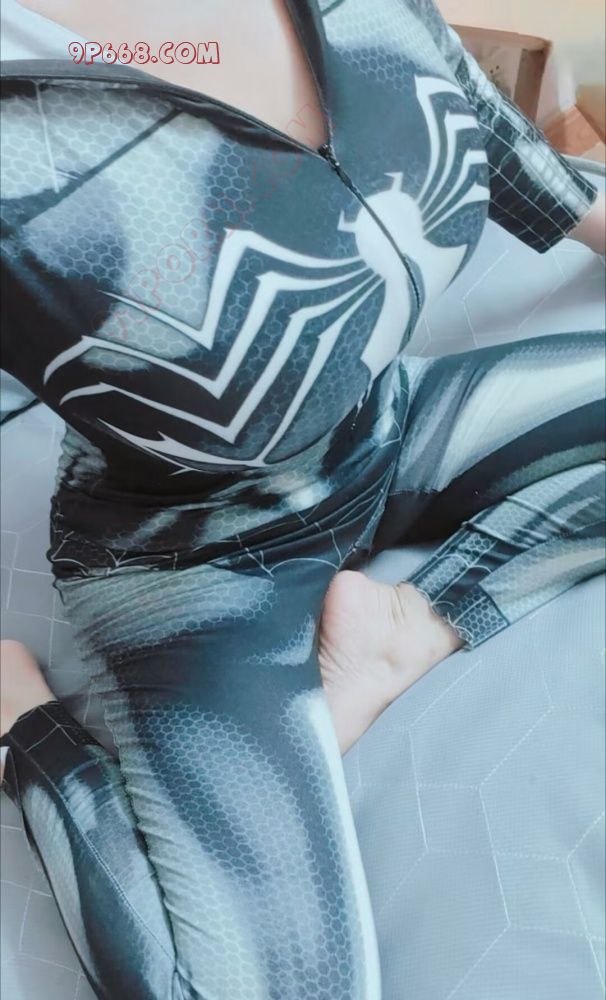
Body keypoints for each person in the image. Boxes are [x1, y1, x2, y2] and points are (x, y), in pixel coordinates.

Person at [1, 0, 604, 996]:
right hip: (197, 562)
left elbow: (452, 97)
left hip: (389, 423)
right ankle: (24, 726)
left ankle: (410, 628)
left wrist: (590, 216)